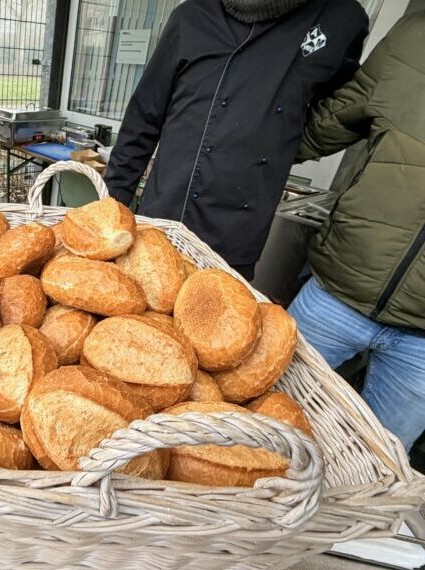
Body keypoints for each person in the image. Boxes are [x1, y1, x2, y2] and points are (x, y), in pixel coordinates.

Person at [104, 0, 368, 280]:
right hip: (163, 218)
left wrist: (279, 146)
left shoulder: (341, 20)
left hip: (236, 237)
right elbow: (143, 119)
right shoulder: (192, 16)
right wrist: (109, 215)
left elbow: (337, 112)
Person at [287, 12, 425, 452]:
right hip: (336, 294)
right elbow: (328, 122)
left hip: (422, 344)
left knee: (375, 469)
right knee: (260, 431)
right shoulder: (415, 36)